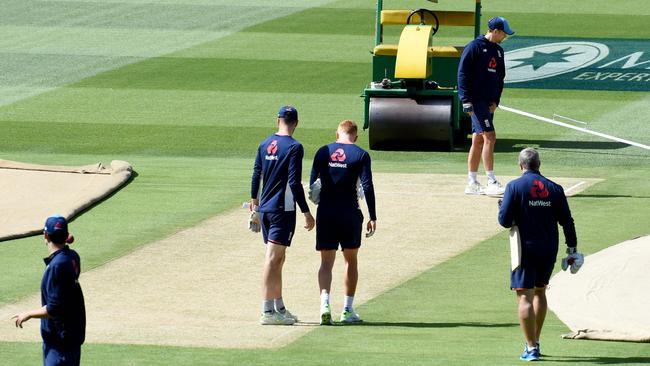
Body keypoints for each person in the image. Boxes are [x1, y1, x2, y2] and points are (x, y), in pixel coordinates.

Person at [498, 148, 583, 361]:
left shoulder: (514, 187)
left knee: (524, 296)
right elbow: (567, 220)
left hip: (524, 249)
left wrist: (502, 208)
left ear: (520, 166)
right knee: (540, 292)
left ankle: (530, 348)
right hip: (548, 248)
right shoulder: (554, 188)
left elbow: (505, 221)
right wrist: (572, 248)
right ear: (539, 164)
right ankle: (535, 341)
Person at [250, 105, 315, 325]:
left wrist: (254, 205)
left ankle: (279, 307)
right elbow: (294, 182)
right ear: (296, 123)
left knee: (279, 258)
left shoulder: (265, 143)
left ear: (277, 120)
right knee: (272, 259)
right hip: (282, 209)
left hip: (267, 209)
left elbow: (256, 174)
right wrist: (306, 212)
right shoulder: (295, 147)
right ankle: (267, 312)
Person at [309, 120, 377, 325]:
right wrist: (373, 215)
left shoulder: (323, 152)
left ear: (337, 134)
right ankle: (347, 310)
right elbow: (367, 185)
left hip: (326, 212)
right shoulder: (361, 155)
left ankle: (325, 305)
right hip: (349, 213)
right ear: (355, 137)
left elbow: (313, 185)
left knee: (326, 263)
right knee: (350, 260)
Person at [12, 215, 85, 366]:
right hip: (70, 336)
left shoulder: (56, 266)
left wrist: (28, 314)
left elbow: (54, 308)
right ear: (66, 235)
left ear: (45, 235)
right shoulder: (72, 256)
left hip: (60, 343)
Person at [458, 16, 514, 195]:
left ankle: (472, 183)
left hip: (488, 104)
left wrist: (495, 101)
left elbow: (500, 78)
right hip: (476, 101)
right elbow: (462, 73)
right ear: (495, 31)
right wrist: (465, 100)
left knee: (478, 139)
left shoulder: (498, 51)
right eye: (504, 33)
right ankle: (491, 181)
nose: (505, 36)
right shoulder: (474, 47)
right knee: (490, 136)